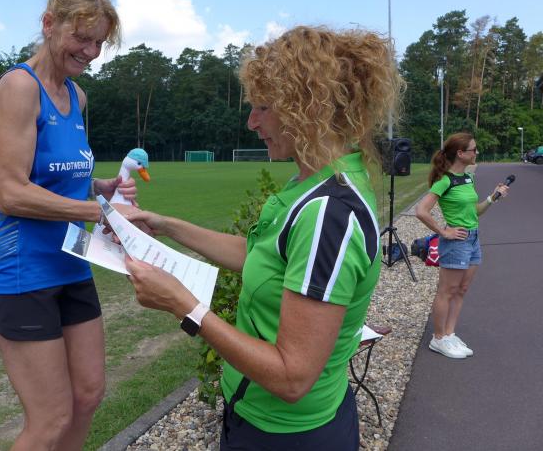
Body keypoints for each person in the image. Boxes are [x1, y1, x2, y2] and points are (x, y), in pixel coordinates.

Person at [123, 26, 399, 450]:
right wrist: (164, 224)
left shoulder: (327, 213)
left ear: (307, 107)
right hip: (257, 417)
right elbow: (258, 255)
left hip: (288, 435)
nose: (252, 122)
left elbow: (292, 378)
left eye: (263, 108)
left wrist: (183, 305)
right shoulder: (312, 182)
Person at [0, 0, 139, 450]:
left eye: (99, 42)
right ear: (49, 24)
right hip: (21, 272)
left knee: (88, 396)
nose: (91, 52)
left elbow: (56, 174)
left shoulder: (76, 95)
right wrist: (96, 210)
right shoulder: (18, 87)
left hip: (72, 263)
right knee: (50, 419)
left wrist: (101, 188)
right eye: (82, 38)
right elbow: (12, 193)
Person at [415, 133, 509, 359]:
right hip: (456, 242)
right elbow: (421, 211)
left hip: (473, 239)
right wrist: (444, 231)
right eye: (473, 150)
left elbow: (474, 211)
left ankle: (449, 334)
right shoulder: (445, 180)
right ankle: (438, 339)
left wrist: (492, 198)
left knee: (462, 290)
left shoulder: (467, 178)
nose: (477, 153)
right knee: (447, 291)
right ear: (460, 153)